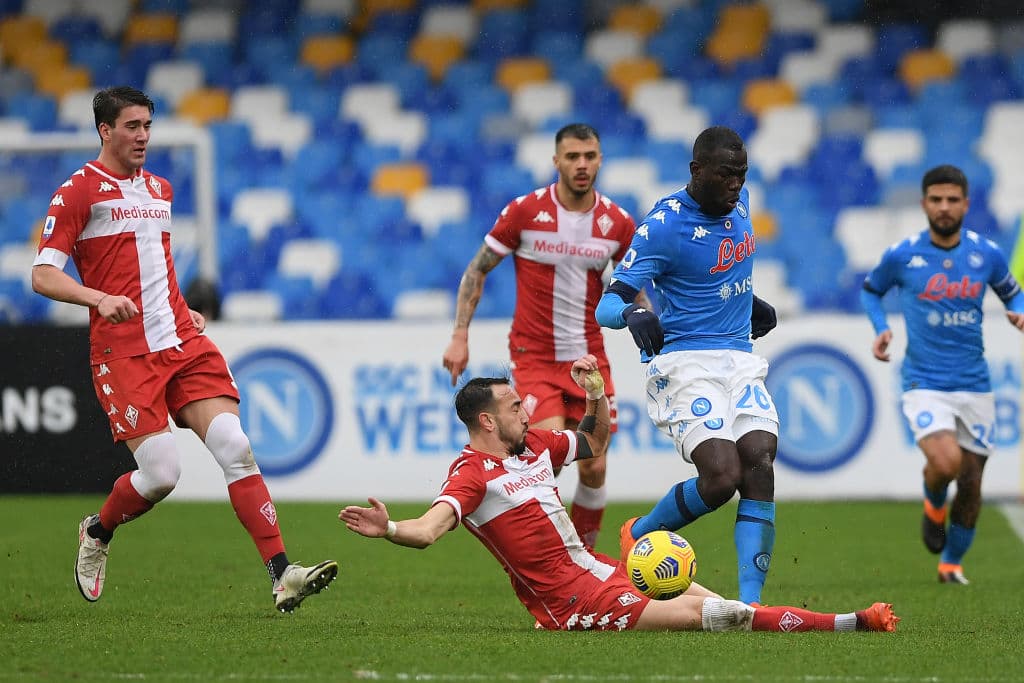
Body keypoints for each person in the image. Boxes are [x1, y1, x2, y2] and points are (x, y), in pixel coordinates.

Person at [31, 86, 338, 612]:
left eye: (148, 125)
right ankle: (98, 531)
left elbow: (154, 268)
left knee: (236, 447)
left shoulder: (160, 190)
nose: (143, 135)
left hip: (181, 341)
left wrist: (179, 308)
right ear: (105, 131)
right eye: (132, 126)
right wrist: (98, 298)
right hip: (124, 354)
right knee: (163, 475)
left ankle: (283, 573)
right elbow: (42, 276)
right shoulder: (78, 192)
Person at [340, 357, 898, 633]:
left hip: (599, 569)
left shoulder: (532, 446)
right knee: (718, 614)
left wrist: (597, 394)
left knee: (732, 606)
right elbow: (429, 530)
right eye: (515, 407)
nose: (527, 410)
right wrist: (387, 528)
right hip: (570, 602)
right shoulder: (471, 475)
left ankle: (849, 622)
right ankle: (852, 623)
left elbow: (594, 439)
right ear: (486, 421)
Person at [594, 126, 780, 607]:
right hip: (684, 361)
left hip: (739, 356)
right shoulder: (663, 226)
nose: (735, 186)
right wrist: (635, 312)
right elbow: (606, 306)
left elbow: (715, 273)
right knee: (722, 477)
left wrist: (752, 302)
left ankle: (751, 604)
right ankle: (639, 532)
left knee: (759, 459)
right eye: (725, 176)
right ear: (697, 171)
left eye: (741, 175)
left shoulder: (738, 205)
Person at [442, 123, 647, 550]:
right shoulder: (524, 212)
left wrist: (652, 330)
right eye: (572, 157)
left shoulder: (617, 224)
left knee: (594, 466)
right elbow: (478, 269)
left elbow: (636, 288)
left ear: (600, 160)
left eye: (589, 156)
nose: (581, 165)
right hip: (534, 357)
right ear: (556, 161)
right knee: (542, 460)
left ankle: (586, 559)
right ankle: (555, 557)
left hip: (589, 357)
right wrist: (460, 335)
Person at [860, 164, 1024, 585]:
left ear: (966, 204)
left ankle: (951, 565)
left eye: (953, 200)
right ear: (924, 204)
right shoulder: (903, 255)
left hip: (975, 384)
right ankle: (934, 501)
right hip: (924, 382)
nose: (945, 207)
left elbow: (1013, 291)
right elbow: (871, 290)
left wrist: (1018, 312)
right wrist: (881, 329)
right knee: (946, 461)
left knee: (971, 481)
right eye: (937, 199)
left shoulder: (985, 254)